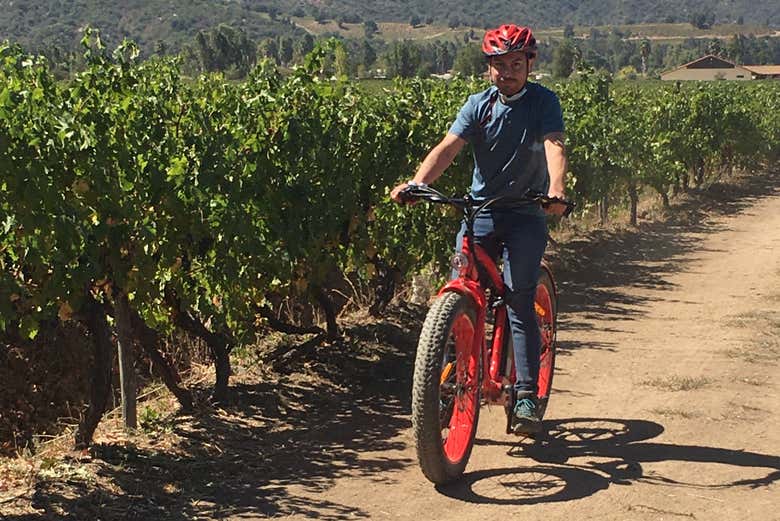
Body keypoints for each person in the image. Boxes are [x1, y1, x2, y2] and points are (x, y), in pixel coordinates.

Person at [390, 23, 569, 434]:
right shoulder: (478, 105)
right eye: (499, 65)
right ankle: (454, 375)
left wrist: (555, 190)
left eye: (515, 64)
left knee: (518, 296)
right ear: (488, 68)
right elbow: (448, 147)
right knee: (460, 283)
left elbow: (553, 145)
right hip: (481, 211)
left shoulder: (543, 102)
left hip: (525, 213)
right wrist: (419, 183)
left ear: (529, 65)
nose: (507, 73)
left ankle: (526, 395)